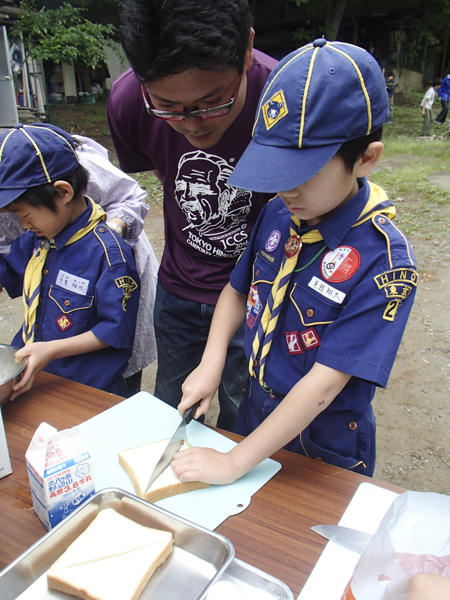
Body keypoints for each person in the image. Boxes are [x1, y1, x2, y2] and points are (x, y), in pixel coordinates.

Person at [172, 39, 418, 485]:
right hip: (255, 413)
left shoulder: (384, 264)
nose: (285, 189)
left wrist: (232, 462)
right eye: (274, 169)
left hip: (321, 444)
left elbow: (323, 387)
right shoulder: (281, 213)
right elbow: (236, 290)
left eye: (300, 174)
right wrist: (211, 363)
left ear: (365, 158)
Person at [108, 0, 277, 431]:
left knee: (245, 415)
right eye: (167, 106)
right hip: (180, 290)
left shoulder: (285, 99)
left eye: (212, 102)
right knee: (172, 410)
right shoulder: (129, 101)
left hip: (262, 294)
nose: (193, 126)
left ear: (246, 52)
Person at [0, 135, 159, 397]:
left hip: (87, 388)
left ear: (63, 192)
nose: (24, 225)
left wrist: (51, 349)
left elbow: (114, 330)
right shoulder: (37, 240)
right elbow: (9, 270)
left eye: (25, 214)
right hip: (40, 375)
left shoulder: (109, 255)